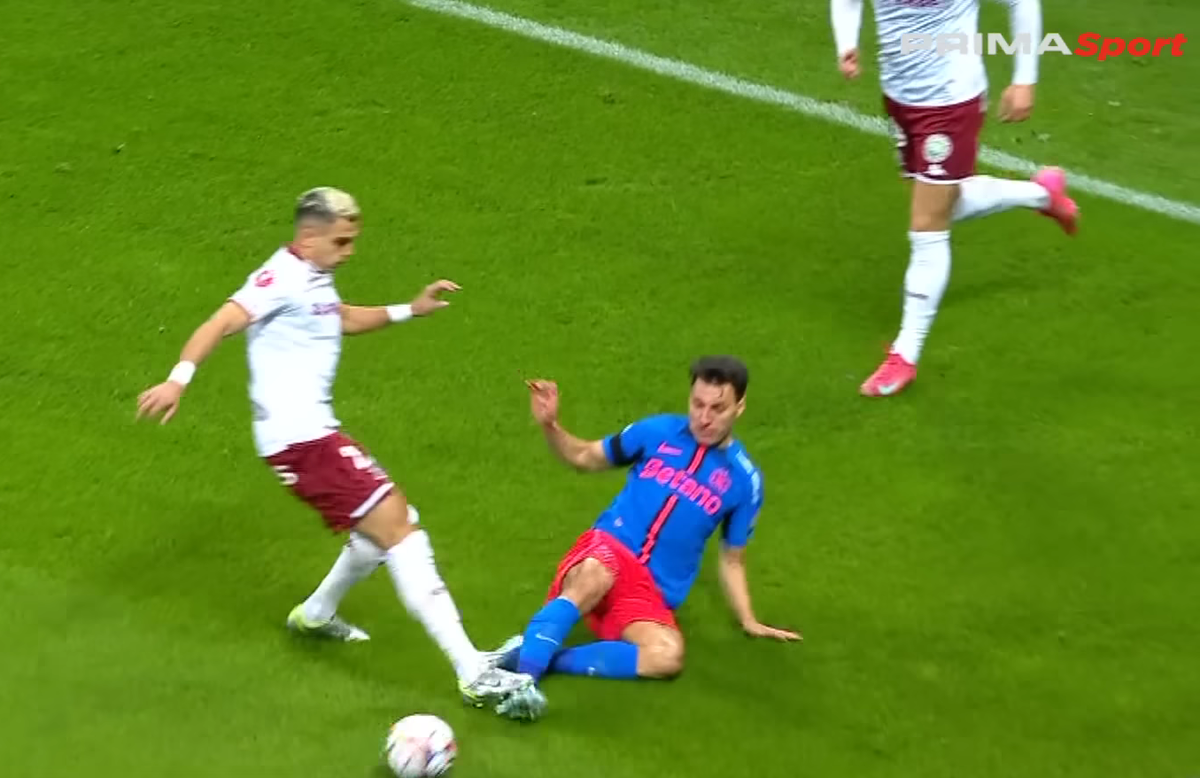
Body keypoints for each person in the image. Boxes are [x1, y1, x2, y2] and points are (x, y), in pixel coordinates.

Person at [135, 186, 540, 712]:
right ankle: (472, 671)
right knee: (402, 530)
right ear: (309, 237)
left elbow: (339, 317)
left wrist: (411, 309)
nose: (349, 252)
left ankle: (316, 614)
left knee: (379, 532)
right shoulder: (279, 277)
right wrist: (178, 380)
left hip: (314, 434)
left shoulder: (314, 274)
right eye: (341, 242)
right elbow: (222, 321)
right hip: (301, 442)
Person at [484, 356, 800, 722]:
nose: (704, 417)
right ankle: (523, 683)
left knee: (667, 656)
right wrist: (550, 425)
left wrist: (748, 619)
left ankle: (539, 654)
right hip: (607, 551)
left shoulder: (745, 481)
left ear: (739, 407)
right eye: (697, 404)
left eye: (717, 408)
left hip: (646, 594)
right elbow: (585, 456)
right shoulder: (656, 432)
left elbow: (733, 558)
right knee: (595, 575)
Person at [830, 0, 1079, 397]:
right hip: (900, 96)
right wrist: (846, 41)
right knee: (945, 204)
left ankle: (905, 355)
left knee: (926, 226)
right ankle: (1042, 193)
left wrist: (1025, 79)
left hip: (950, 99)